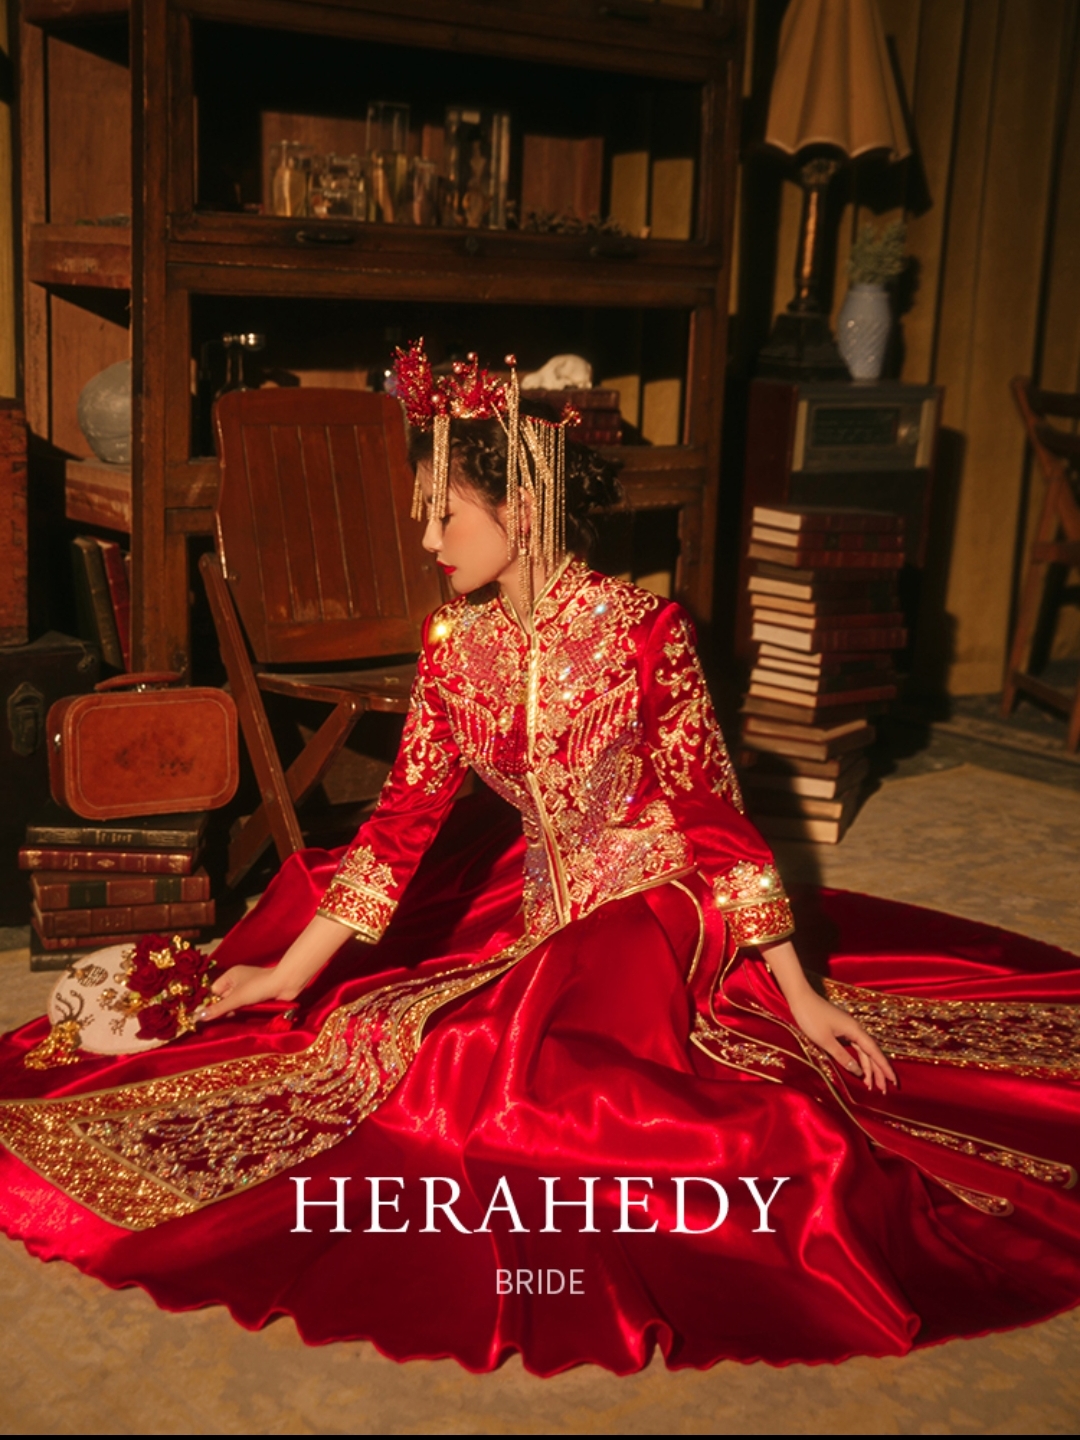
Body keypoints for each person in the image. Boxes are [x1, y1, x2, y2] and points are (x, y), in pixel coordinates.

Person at [0, 342, 1077, 1377]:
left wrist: (798, 996)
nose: (429, 539)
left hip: (660, 894)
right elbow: (399, 826)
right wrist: (288, 974)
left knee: (505, 1068)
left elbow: (715, 816)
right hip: (544, 910)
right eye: (424, 515)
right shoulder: (452, 648)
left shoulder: (644, 630)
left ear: (521, 509)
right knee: (378, 1018)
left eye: (447, 514)